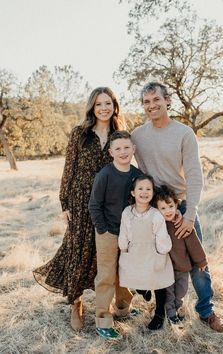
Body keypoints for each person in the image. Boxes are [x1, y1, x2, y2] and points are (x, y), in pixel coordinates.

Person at [131, 81, 223, 333]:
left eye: (156, 100)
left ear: (168, 101)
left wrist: (189, 214)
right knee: (159, 261)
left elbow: (195, 176)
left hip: (181, 206)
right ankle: (166, 310)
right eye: (146, 102)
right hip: (153, 210)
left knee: (197, 262)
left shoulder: (184, 133)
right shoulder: (137, 136)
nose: (152, 105)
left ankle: (207, 311)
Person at [33, 87, 123, 331]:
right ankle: (76, 301)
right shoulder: (80, 133)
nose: (103, 108)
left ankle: (110, 301)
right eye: (98, 104)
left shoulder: (120, 135)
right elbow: (68, 169)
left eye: (107, 103)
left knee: (104, 252)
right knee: (77, 249)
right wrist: (64, 203)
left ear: (114, 106)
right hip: (81, 199)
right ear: (92, 108)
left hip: (109, 202)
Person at [88, 131, 143, 339]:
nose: (123, 152)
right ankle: (103, 319)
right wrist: (103, 229)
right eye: (118, 148)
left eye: (126, 148)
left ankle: (123, 309)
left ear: (133, 149)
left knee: (125, 273)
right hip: (108, 233)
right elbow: (94, 205)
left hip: (129, 233)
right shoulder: (105, 175)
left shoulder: (136, 175)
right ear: (111, 152)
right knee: (106, 276)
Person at [118, 175, 174, 331]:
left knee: (159, 282)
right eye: (140, 189)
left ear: (153, 192)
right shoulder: (127, 212)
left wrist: (162, 251)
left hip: (153, 251)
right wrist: (123, 247)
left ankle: (159, 315)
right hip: (134, 252)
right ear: (133, 192)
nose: (144, 192)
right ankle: (143, 290)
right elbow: (124, 232)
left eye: (148, 189)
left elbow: (161, 235)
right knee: (135, 277)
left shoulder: (156, 214)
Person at [155, 185, 207, 326]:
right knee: (169, 294)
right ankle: (171, 316)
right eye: (163, 208)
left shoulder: (180, 222)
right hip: (166, 268)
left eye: (170, 206)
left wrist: (201, 261)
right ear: (157, 210)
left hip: (182, 266)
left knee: (181, 292)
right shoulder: (158, 224)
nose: (168, 211)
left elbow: (193, 243)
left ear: (176, 204)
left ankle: (175, 309)